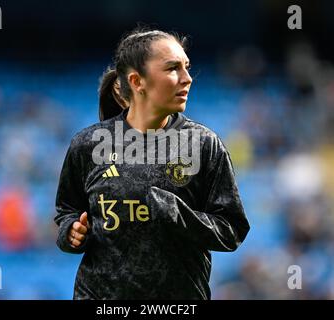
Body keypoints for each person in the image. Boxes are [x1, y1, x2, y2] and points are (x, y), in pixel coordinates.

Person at [54, 27, 250, 300]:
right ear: (137, 81)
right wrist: (71, 232)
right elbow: (67, 210)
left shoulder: (204, 145)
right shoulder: (88, 144)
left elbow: (232, 231)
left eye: (187, 67)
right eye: (173, 69)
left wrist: (178, 215)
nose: (188, 78)